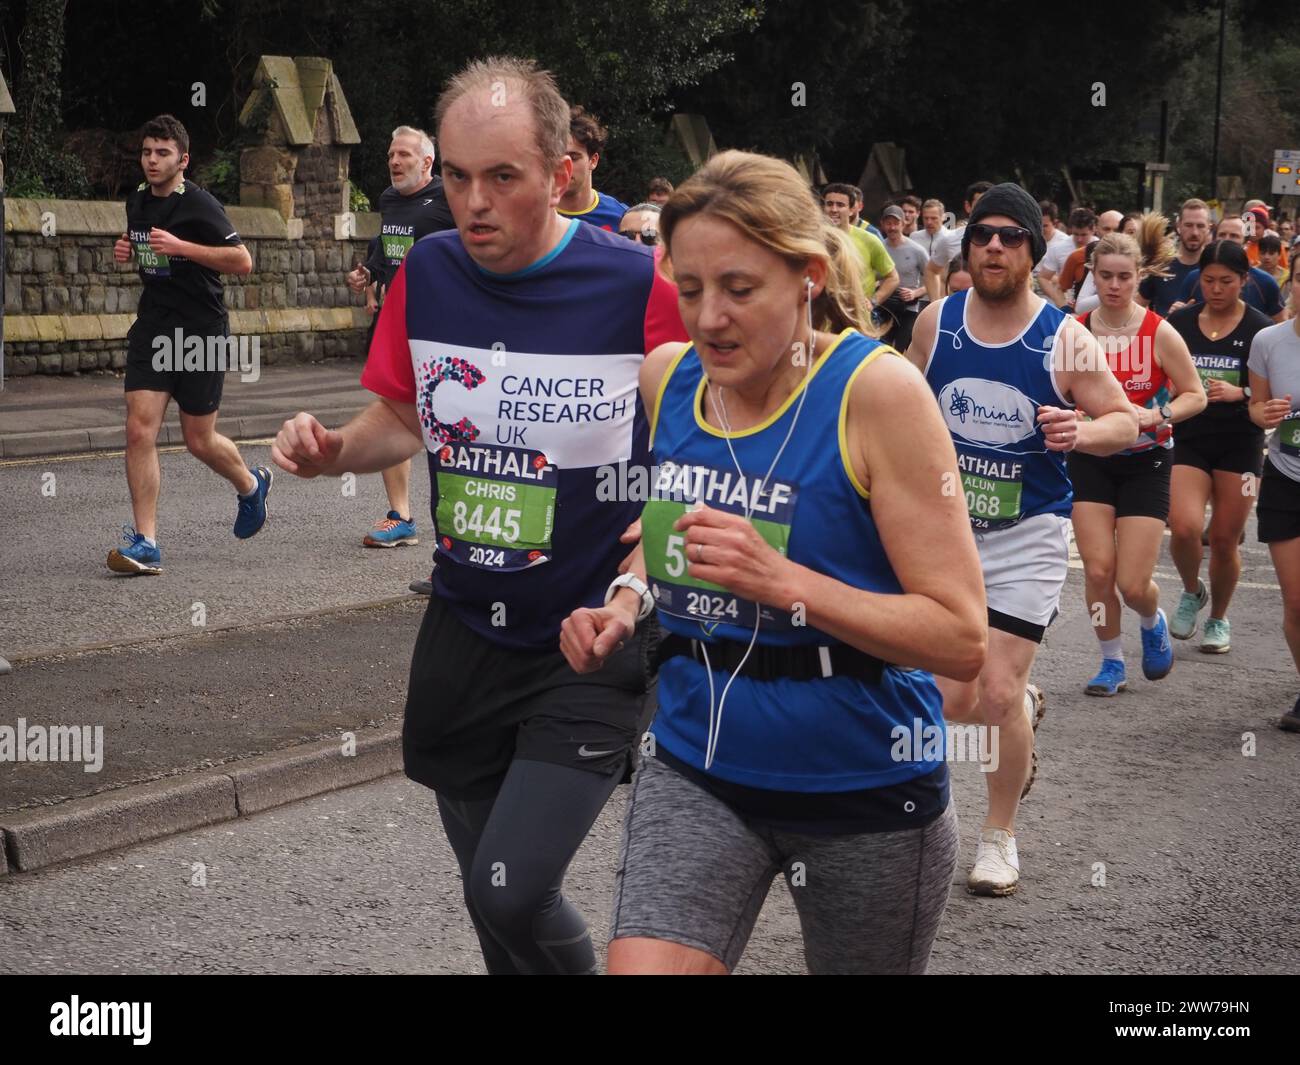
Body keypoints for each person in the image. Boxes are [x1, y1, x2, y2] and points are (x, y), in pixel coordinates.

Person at [273, 56, 685, 975]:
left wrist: (655, 548)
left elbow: (709, 435)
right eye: (457, 176)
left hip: (587, 632)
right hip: (463, 624)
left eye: (504, 177)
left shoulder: (638, 286)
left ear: (561, 170)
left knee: (510, 886)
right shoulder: (429, 272)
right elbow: (405, 416)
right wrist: (333, 450)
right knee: (488, 902)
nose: (474, 202)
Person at [563, 149, 984, 974]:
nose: (709, 318)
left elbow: (961, 636)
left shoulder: (878, 394)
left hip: (862, 776)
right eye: (689, 289)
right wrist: (625, 598)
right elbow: (679, 537)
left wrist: (788, 583)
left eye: (739, 289)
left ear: (807, 276)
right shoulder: (668, 379)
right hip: (697, 759)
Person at [905, 183, 1138, 896]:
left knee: (997, 690)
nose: (996, 246)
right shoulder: (935, 323)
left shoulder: (1064, 338)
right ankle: (1024, 710)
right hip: (945, 532)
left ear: (1035, 249)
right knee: (948, 701)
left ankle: (998, 834)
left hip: (1028, 532)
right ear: (968, 249)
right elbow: (899, 407)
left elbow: (1125, 420)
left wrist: (1082, 429)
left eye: (1011, 236)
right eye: (983, 236)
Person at [108, 114, 269, 575]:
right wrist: (127, 250)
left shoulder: (200, 204)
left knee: (199, 440)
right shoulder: (137, 201)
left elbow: (242, 261)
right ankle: (146, 541)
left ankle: (250, 486)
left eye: (162, 153)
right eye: (146, 152)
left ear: (183, 159)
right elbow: (146, 250)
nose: (152, 160)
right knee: (140, 429)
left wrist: (183, 247)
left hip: (200, 332)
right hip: (154, 329)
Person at [1067, 215, 1207, 696]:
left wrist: (1157, 415)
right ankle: (1111, 663)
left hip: (1146, 461)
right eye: (1105, 275)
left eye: (1124, 276)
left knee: (1131, 582)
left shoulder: (1158, 331)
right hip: (1089, 459)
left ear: (1139, 276)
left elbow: (1196, 394)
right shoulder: (1075, 330)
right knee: (1098, 570)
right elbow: (1058, 389)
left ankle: (1152, 618)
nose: (1114, 285)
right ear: (1092, 272)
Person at [346, 126, 456, 555]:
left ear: (427, 162)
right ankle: (401, 517)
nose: (395, 161)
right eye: (391, 154)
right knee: (393, 413)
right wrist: (367, 274)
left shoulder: (450, 197)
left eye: (405, 155)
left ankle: (456, 523)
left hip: (445, 330)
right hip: (397, 326)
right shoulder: (389, 200)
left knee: (448, 425)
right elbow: (385, 250)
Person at [1165, 240, 1275, 652]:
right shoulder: (1181, 323)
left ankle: (1219, 618)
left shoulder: (1261, 329)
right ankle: (1193, 591)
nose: (1216, 289)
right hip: (1189, 437)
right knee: (1184, 526)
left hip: (1241, 444)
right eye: (1208, 280)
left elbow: (1277, 392)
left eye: (1226, 281)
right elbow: (1161, 374)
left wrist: (1241, 392)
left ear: (1244, 281)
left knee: (1226, 539)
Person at [1246, 254, 1300, 731]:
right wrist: (1263, 415)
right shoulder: (1269, 341)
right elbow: (1256, 407)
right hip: (1285, 474)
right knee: (1297, 599)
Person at [1177, 215, 1286, 322]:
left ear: (1246, 243)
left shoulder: (1265, 282)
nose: (1226, 240)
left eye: (1234, 236)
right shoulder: (1194, 278)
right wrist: (1178, 314)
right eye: (1222, 235)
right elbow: (1179, 314)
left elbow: (1281, 323)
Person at [823, 183, 898, 312]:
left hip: (858, 318)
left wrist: (873, 301)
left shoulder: (869, 239)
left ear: (852, 210)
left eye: (840, 205)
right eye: (829, 204)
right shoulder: (813, 239)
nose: (834, 209)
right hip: (822, 318)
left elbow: (893, 277)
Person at [1136, 198, 1211, 317]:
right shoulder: (1160, 266)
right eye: (1189, 225)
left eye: (1200, 226)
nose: (1195, 232)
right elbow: (1135, 308)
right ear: (1178, 226)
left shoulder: (1215, 268)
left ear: (1209, 228)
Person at [557, 105, 627, 230]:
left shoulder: (621, 218)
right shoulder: (529, 212)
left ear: (593, 160)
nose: (563, 165)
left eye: (573, 157)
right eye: (557, 156)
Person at [924, 181, 992, 301]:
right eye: (979, 205)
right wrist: (936, 305)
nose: (985, 210)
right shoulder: (951, 239)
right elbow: (931, 270)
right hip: (961, 310)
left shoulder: (1009, 239)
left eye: (990, 204)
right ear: (968, 206)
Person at [878, 203, 928, 350]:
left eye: (896, 223)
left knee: (901, 349)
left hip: (908, 308)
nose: (892, 227)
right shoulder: (878, 247)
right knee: (881, 348)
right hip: (884, 307)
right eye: (888, 223)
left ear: (904, 223)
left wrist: (915, 293)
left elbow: (933, 279)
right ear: (882, 224)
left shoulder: (917, 250)